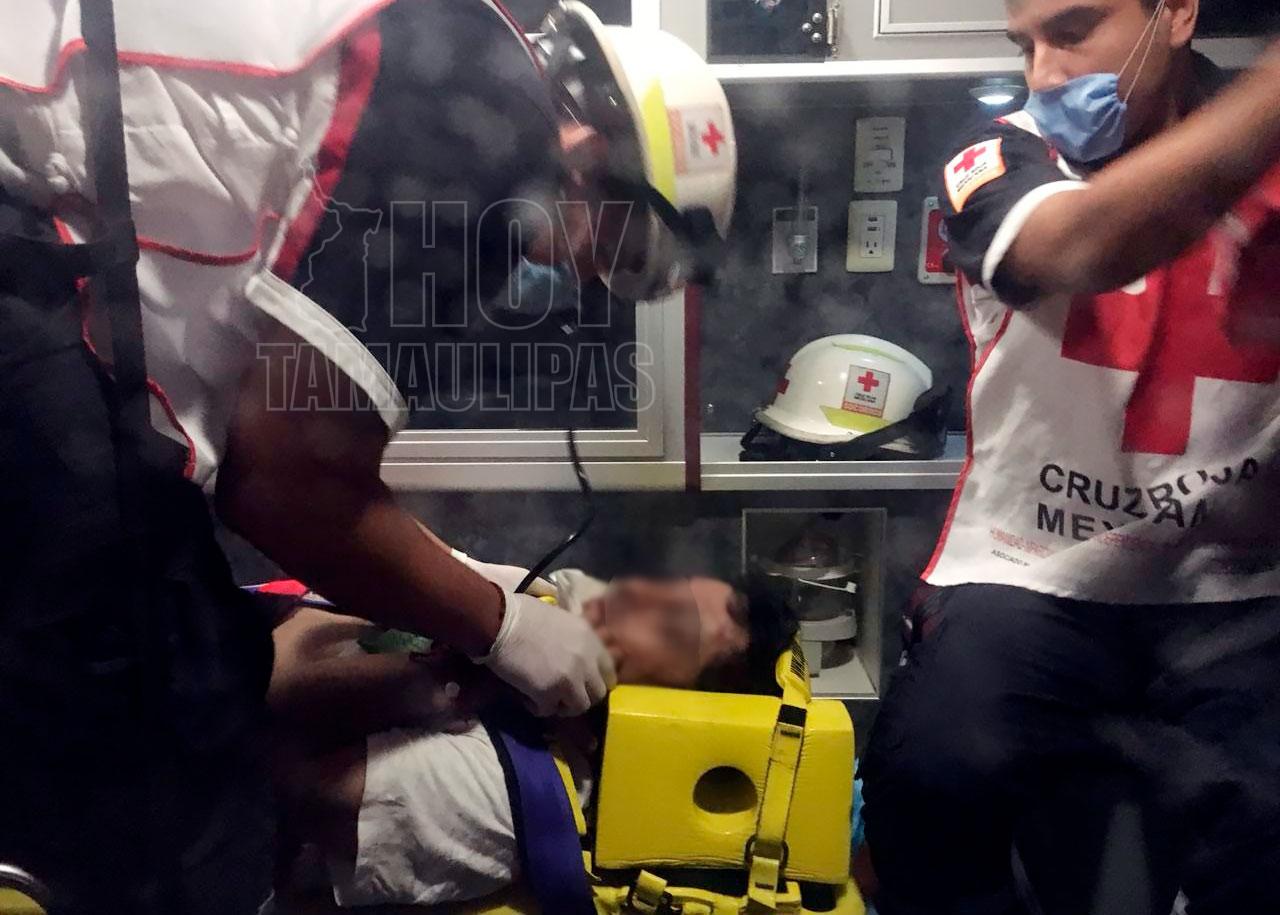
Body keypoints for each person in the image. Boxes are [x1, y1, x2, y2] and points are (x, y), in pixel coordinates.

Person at [0, 1, 735, 912]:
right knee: (161, 782)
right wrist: (499, 623)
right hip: (32, 292)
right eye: (613, 249)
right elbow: (286, 482)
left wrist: (448, 580)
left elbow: (293, 443)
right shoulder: (488, 127)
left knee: (186, 641)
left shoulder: (436, 52)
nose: (585, 277)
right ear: (589, 149)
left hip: (47, 270)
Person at [860, 2, 1280, 914]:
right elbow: (1077, 246)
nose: (1043, 73)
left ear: (1176, 13)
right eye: (1026, 44)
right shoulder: (999, 152)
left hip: (1235, 581)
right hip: (1032, 569)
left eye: (1074, 30)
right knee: (928, 779)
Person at [260, 570, 798, 909]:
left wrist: (453, 676)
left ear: (680, 709)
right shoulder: (540, 617)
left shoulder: (513, 793)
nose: (634, 599)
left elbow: (268, 778)